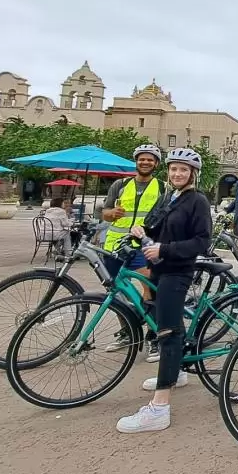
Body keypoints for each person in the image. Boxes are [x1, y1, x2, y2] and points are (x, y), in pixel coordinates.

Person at [116, 147, 213, 433]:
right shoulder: (167, 197)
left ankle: (159, 408)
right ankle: (178, 372)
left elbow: (201, 242)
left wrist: (165, 248)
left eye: (184, 170)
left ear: (193, 174)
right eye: (174, 169)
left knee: (168, 333)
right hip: (158, 268)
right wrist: (140, 234)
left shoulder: (198, 201)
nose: (178, 173)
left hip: (177, 271)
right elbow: (154, 229)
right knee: (159, 319)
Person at [103, 144, 166, 356]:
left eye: (150, 160)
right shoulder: (120, 184)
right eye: (142, 159)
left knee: (149, 287)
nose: (145, 162)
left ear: (156, 164)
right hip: (114, 246)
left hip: (143, 246)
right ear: (136, 161)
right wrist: (112, 213)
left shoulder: (162, 187)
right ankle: (128, 329)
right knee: (117, 291)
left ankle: (153, 334)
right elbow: (104, 212)